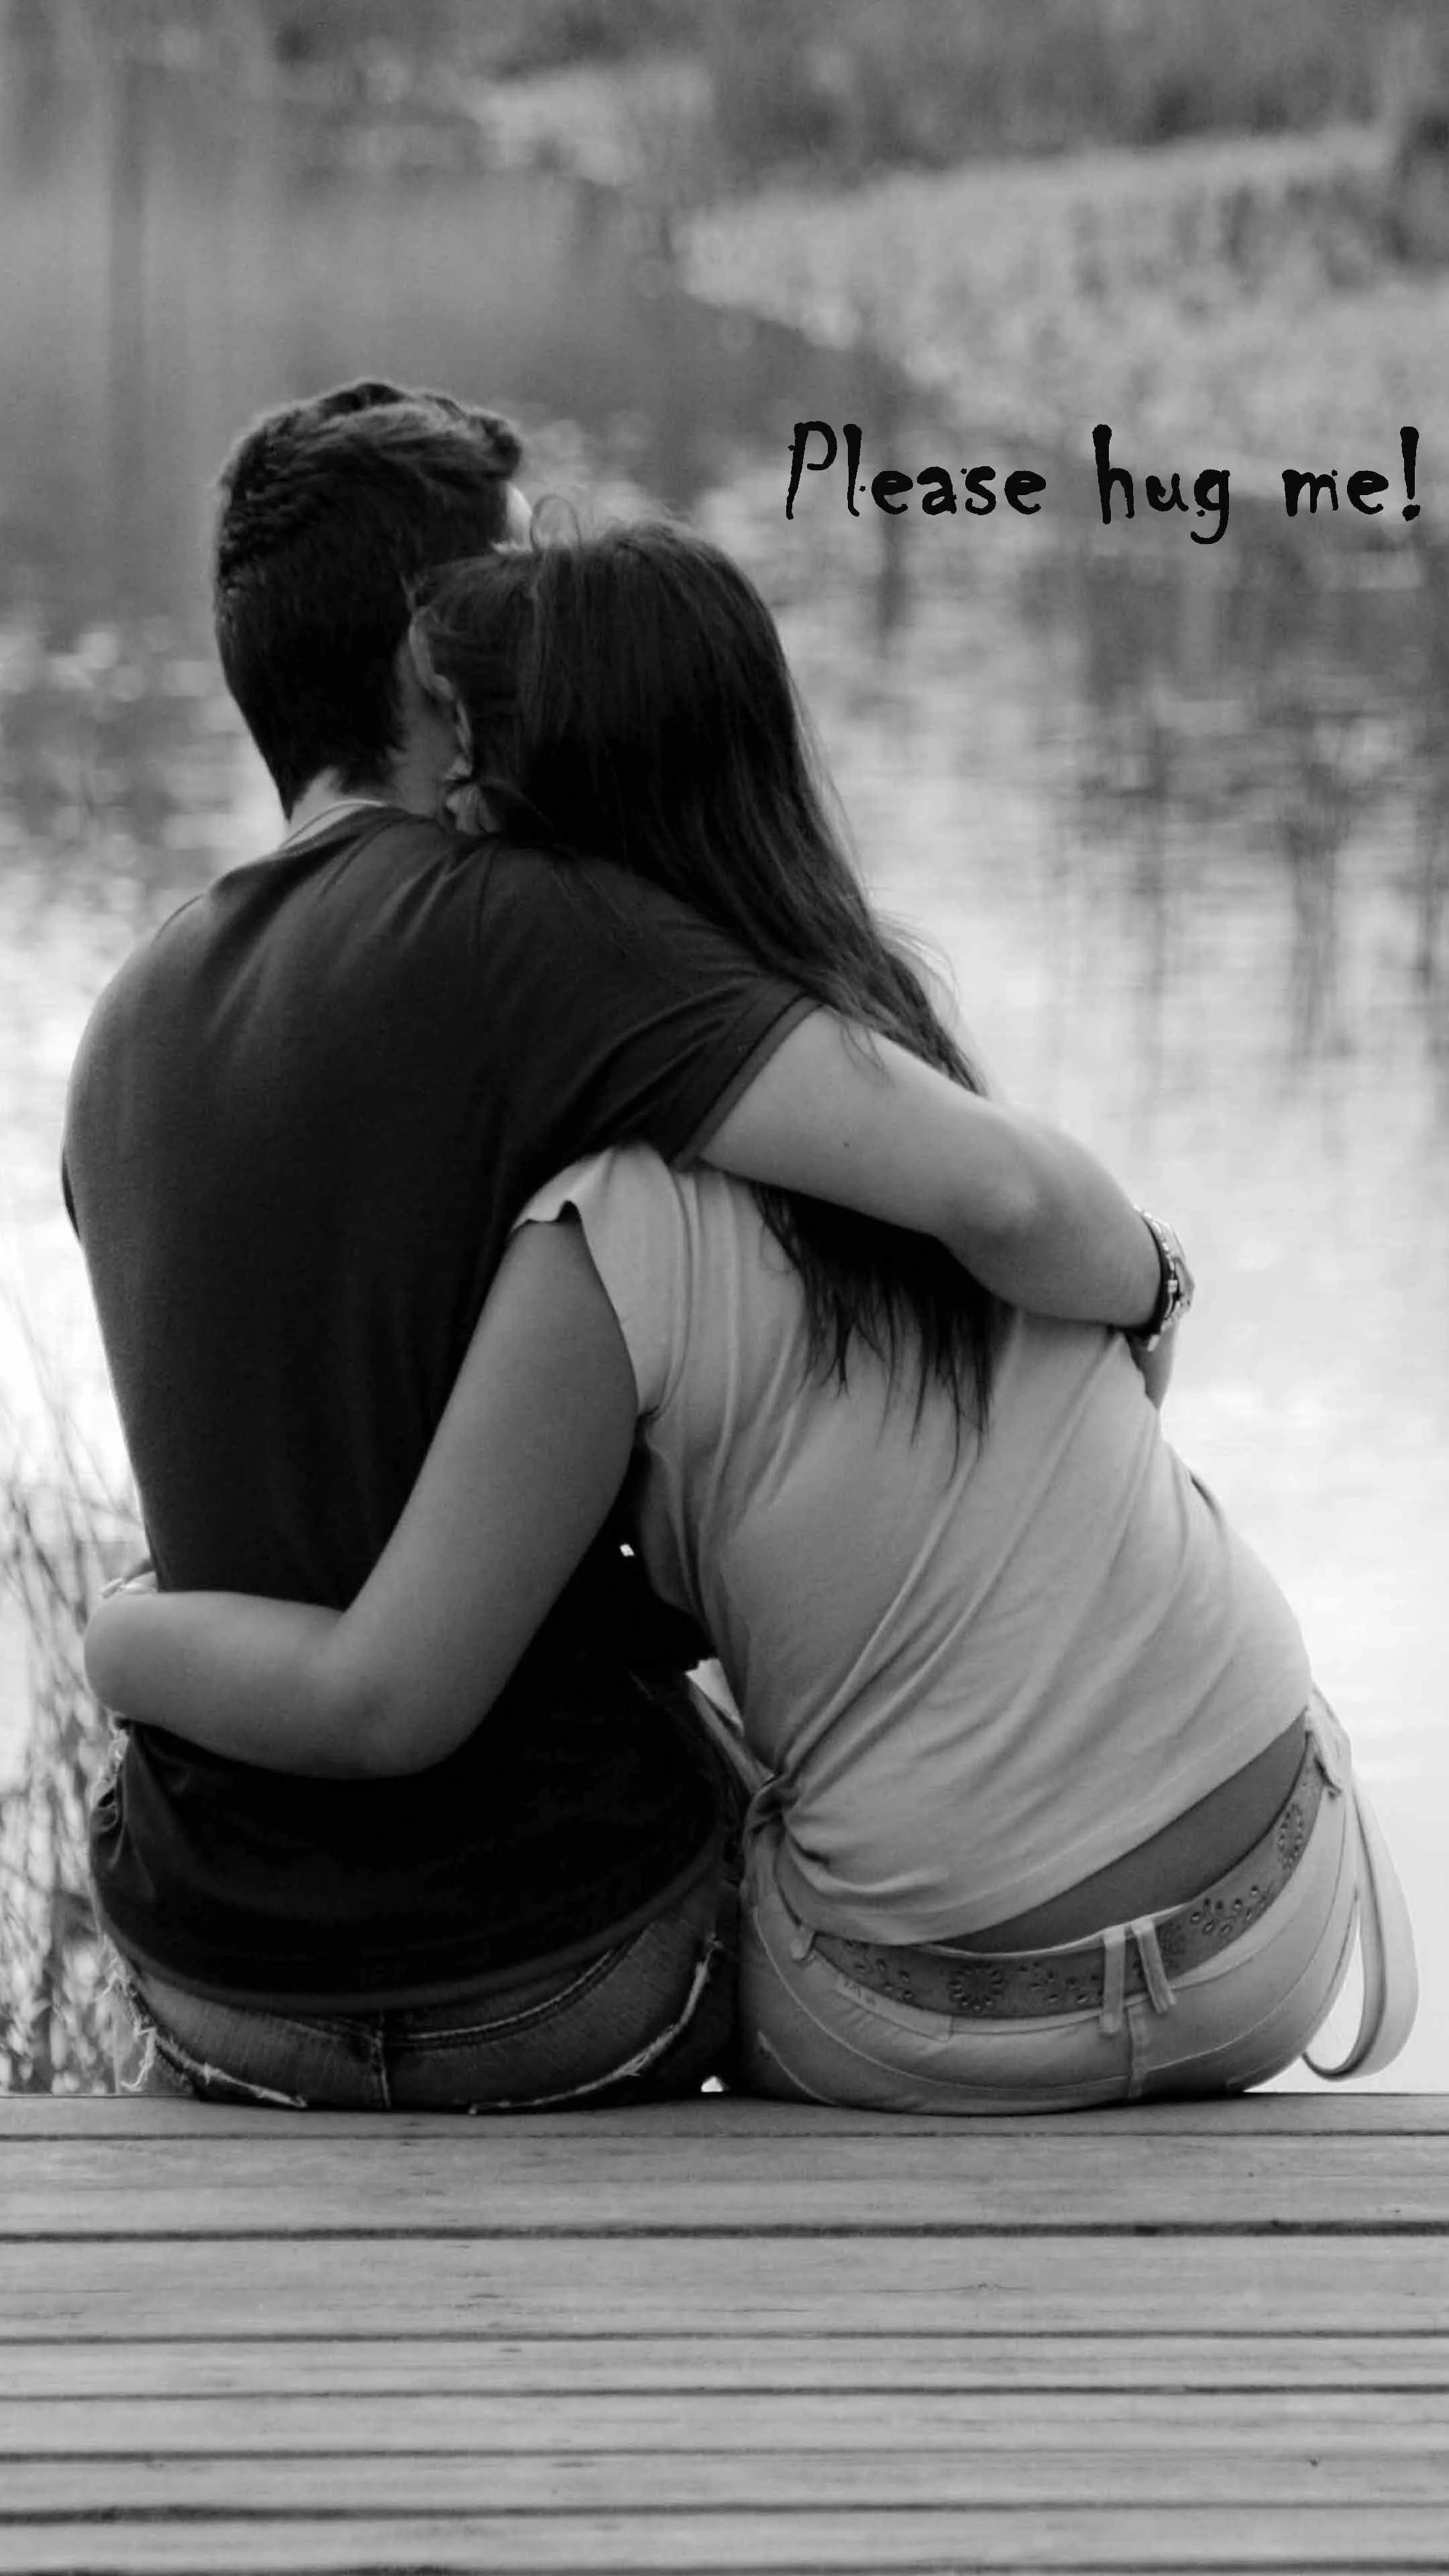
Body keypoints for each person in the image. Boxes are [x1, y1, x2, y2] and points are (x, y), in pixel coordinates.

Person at [85, 523, 1417, 2110]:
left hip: (931, 2024)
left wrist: (123, 1631)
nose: (434, 809)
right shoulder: (897, 1066)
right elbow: (1065, 1348)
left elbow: (396, 1692)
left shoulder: (612, 1217)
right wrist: (1160, 1281)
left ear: (539, 811)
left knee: (698, 1831)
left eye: (462, 766)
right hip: (1271, 1932)